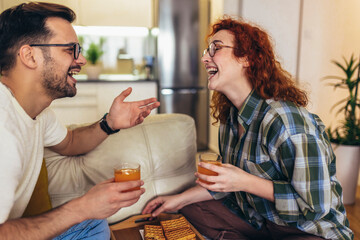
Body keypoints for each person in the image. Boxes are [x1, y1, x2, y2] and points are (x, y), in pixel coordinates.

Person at [142, 17, 353, 240]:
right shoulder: (229, 120)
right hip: (260, 224)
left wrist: (244, 181)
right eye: (207, 50)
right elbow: (227, 184)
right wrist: (180, 199)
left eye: (216, 48)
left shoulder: (285, 121)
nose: (205, 58)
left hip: (307, 231)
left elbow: (316, 206)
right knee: (188, 208)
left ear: (247, 58)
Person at [0, 2, 160, 239]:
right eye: (70, 50)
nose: (82, 59)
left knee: (94, 223)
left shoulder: (37, 113)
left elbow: (71, 142)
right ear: (29, 55)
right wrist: (83, 206)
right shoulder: (4, 130)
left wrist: (110, 123)